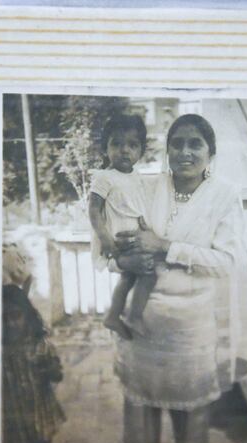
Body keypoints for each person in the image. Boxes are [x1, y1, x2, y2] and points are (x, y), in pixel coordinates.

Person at [110, 114, 247, 443]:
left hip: (191, 323)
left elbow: (226, 262)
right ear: (167, 149)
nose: (185, 152)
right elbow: (119, 240)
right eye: (178, 143)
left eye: (195, 144)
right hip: (142, 319)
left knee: (191, 412)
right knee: (139, 410)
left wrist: (166, 247)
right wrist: (124, 253)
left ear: (211, 153)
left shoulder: (225, 195)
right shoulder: (145, 187)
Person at [1, 283, 66, 443]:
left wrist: (48, 370)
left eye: (16, 316)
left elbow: (58, 374)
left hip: (40, 416)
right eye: (4, 318)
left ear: (28, 316)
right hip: (12, 419)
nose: (10, 324)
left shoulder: (41, 345)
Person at [89, 113, 156, 339]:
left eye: (132, 145)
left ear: (140, 151)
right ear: (105, 148)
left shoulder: (136, 176)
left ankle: (112, 316)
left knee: (129, 277)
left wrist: (145, 226)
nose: (124, 150)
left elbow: (135, 206)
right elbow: (93, 210)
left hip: (135, 234)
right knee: (148, 273)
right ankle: (134, 316)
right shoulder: (104, 177)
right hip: (119, 238)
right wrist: (105, 239)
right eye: (116, 144)